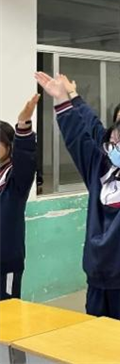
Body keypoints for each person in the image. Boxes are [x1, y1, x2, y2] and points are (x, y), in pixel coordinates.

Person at [35, 67, 120, 327]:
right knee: (98, 342)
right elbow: (79, 139)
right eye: (112, 143)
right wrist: (62, 100)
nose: (115, 149)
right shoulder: (101, 173)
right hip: (98, 277)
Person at [0, 94, 39, 300]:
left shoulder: (15, 179)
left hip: (5, 263)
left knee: (6, 313)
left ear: (9, 146)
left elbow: (26, 160)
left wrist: (23, 125)